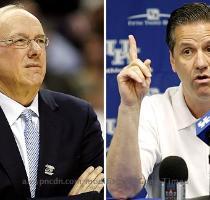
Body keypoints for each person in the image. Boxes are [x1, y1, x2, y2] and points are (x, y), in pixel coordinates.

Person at [107, 2, 210, 199]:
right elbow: (121, 188)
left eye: (209, 48)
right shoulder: (152, 111)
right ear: (172, 61)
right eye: (187, 51)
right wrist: (130, 107)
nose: (201, 63)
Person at [0, 4, 104, 200]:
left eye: (40, 40)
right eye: (21, 41)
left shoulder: (79, 116)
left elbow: (97, 194)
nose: (35, 50)